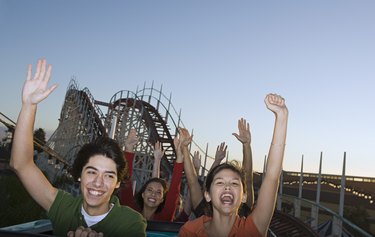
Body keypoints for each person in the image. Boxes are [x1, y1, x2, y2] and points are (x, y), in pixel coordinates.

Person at [9, 59, 147, 237]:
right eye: (91, 172)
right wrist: (29, 106)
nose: (98, 182)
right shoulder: (63, 207)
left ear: (118, 183)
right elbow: (21, 164)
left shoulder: (130, 223)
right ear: (80, 175)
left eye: (109, 175)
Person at [179, 93, 288, 237]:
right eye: (219, 182)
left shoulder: (251, 230)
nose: (227, 187)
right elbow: (192, 180)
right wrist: (184, 148)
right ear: (207, 195)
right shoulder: (190, 231)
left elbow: (272, 177)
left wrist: (282, 116)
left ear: (244, 196)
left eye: (235, 183)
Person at [119, 129, 184, 222]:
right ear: (143, 194)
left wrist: (180, 158)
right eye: (149, 190)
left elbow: (174, 191)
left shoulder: (164, 218)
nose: (153, 194)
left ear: (162, 199)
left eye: (158, 192)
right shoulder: (131, 212)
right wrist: (129, 149)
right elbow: (125, 183)